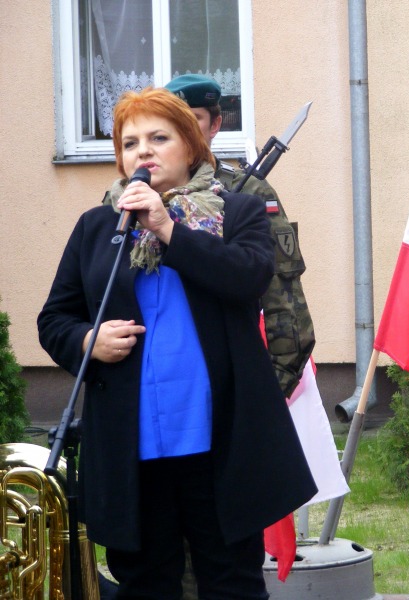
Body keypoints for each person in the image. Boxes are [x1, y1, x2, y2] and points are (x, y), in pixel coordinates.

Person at [38, 87, 316, 599]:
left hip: (219, 440)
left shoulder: (238, 212)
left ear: (190, 146)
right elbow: (55, 318)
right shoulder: (97, 227)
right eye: (130, 142)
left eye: (158, 138)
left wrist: (169, 228)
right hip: (133, 444)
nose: (143, 151)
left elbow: (249, 277)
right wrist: (86, 340)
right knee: (146, 584)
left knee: (230, 582)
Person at [166, 74, 315, 399]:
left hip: (231, 370)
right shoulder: (142, 198)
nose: (182, 132)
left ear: (215, 124)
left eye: (193, 120)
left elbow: (284, 299)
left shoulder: (248, 192)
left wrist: (269, 393)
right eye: (172, 122)